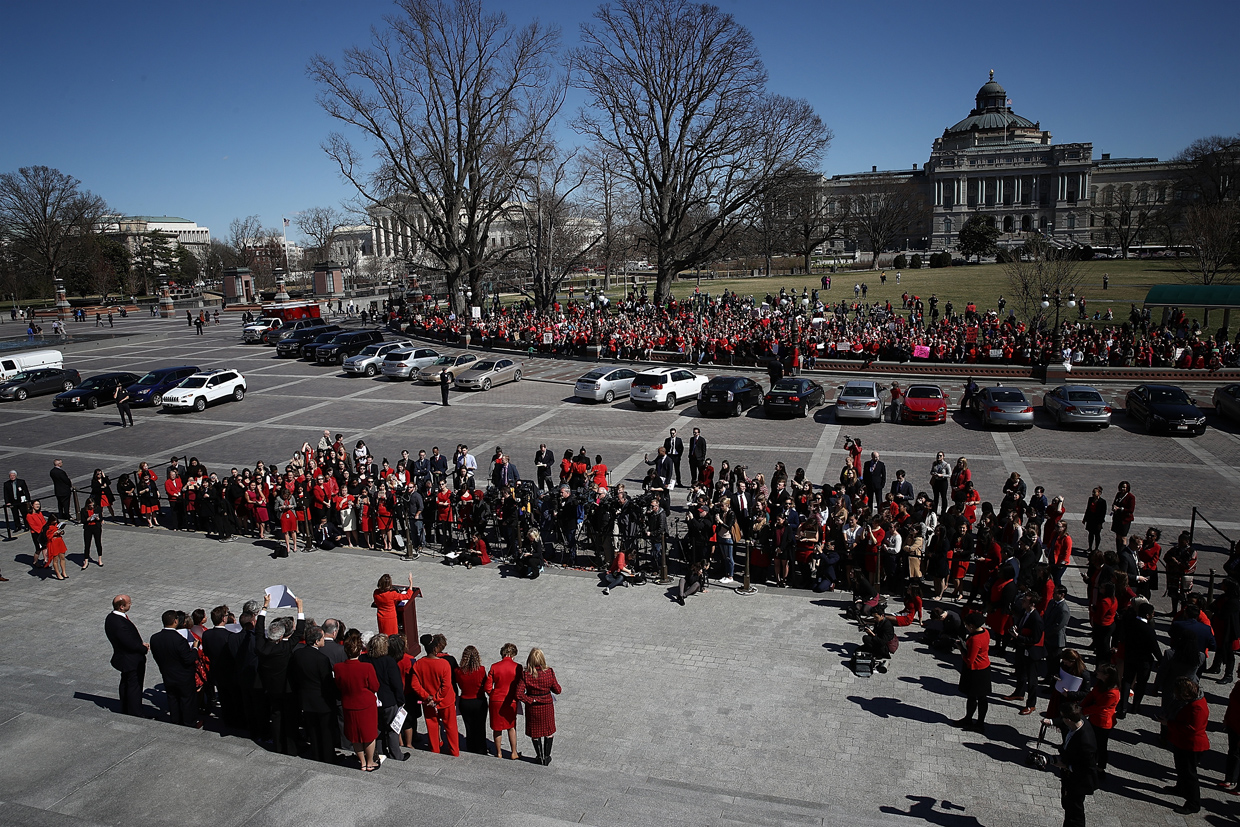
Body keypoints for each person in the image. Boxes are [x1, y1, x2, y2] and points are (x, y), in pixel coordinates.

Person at [334, 632, 380, 771]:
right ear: (360, 651)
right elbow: (375, 686)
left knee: (355, 736)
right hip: (366, 705)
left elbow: (339, 685)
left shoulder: (338, 668)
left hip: (349, 704)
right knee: (370, 734)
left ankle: (362, 762)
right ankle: (370, 761)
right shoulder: (366, 667)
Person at [1164, 676, 1209, 814]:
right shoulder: (1192, 702)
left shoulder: (1197, 708)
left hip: (1192, 745)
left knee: (1189, 774)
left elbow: (1191, 728)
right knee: (1181, 768)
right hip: (1183, 742)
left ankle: (1193, 803)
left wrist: (1168, 724)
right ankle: (1180, 788)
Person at [411, 633, 459, 756]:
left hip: (428, 702)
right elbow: (446, 685)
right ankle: (454, 751)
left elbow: (415, 685)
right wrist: (437, 698)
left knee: (432, 725)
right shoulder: (444, 664)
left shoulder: (418, 664)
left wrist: (428, 697)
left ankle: (435, 750)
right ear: (435, 648)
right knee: (450, 727)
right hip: (445, 701)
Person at [361, 633, 407, 762]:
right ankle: (396, 755)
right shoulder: (389, 661)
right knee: (392, 730)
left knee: (378, 728)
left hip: (371, 700)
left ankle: (380, 752)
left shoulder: (363, 659)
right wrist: (400, 701)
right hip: (388, 701)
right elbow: (396, 684)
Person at [149, 609, 199, 727]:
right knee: (187, 700)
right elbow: (188, 659)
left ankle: (175, 720)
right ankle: (189, 722)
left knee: (172, 698)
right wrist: (195, 648)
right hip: (183, 677)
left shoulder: (155, 638)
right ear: (175, 621)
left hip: (167, 675)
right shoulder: (179, 640)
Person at [516, 647, 562, 766]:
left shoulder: (526, 674)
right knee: (548, 731)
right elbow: (558, 690)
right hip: (547, 705)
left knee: (535, 733)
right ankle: (547, 756)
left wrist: (530, 700)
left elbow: (518, 694)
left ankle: (539, 756)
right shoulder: (549, 672)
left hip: (533, 708)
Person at [1055, 704, 1099, 827]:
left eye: (1062, 717)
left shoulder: (1086, 743)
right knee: (1068, 806)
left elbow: (1087, 768)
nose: (1061, 719)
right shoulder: (1079, 720)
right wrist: (1052, 721)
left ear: (1068, 720)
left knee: (1075, 812)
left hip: (1078, 781)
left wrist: (1066, 766)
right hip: (1070, 778)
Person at [105, 595, 148, 717]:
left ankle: (125, 707)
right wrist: (143, 648)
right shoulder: (120, 623)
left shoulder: (111, 618)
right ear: (122, 606)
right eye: (129, 603)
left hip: (124, 658)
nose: (131, 604)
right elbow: (128, 642)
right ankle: (135, 712)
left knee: (126, 683)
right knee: (134, 687)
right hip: (131, 660)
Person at [1080, 664, 1120, 778]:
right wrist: (1081, 705)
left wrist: (1083, 711)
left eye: (1099, 671)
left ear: (1106, 676)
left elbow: (1099, 707)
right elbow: (1092, 695)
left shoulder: (1113, 692)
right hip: (1094, 718)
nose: (1097, 672)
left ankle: (1100, 768)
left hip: (1103, 723)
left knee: (1101, 746)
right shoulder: (1101, 683)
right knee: (1091, 743)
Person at [955, 612, 991, 735]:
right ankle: (974, 720)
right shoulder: (985, 632)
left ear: (971, 626)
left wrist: (961, 649)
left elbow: (970, 660)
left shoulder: (975, 639)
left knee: (973, 697)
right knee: (981, 697)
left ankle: (975, 722)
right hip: (984, 668)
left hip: (976, 671)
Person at [485, 643, 522, 760]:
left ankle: (499, 752)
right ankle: (514, 752)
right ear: (513, 654)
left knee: (497, 728)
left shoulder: (494, 666)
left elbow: (487, 687)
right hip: (511, 701)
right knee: (511, 727)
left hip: (496, 700)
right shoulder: (518, 667)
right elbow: (521, 685)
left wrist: (494, 695)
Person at [454, 645, 489, 756]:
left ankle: (471, 746)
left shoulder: (458, 671)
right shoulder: (481, 670)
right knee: (480, 726)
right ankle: (481, 748)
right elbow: (485, 684)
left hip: (465, 701)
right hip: (479, 700)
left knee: (469, 726)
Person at [372, 572, 414, 636]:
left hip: (381, 617)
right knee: (393, 636)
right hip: (391, 617)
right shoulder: (392, 594)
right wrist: (411, 583)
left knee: (383, 635)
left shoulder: (376, 592)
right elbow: (407, 596)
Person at [42, 513, 68, 579]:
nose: (55, 521)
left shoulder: (57, 525)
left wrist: (61, 532)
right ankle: (58, 574)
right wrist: (54, 533)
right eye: (54, 520)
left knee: (62, 557)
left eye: (56, 520)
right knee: (55, 559)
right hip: (53, 543)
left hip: (59, 541)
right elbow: (46, 536)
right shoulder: (47, 527)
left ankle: (64, 572)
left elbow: (62, 532)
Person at [80, 495, 103, 569]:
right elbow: (82, 521)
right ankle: (86, 561)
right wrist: (88, 519)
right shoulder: (83, 510)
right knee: (87, 544)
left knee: (98, 542)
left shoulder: (98, 508)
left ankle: (100, 559)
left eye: (93, 505)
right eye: (90, 505)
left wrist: (98, 518)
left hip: (96, 527)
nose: (92, 507)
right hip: (88, 528)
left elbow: (101, 518)